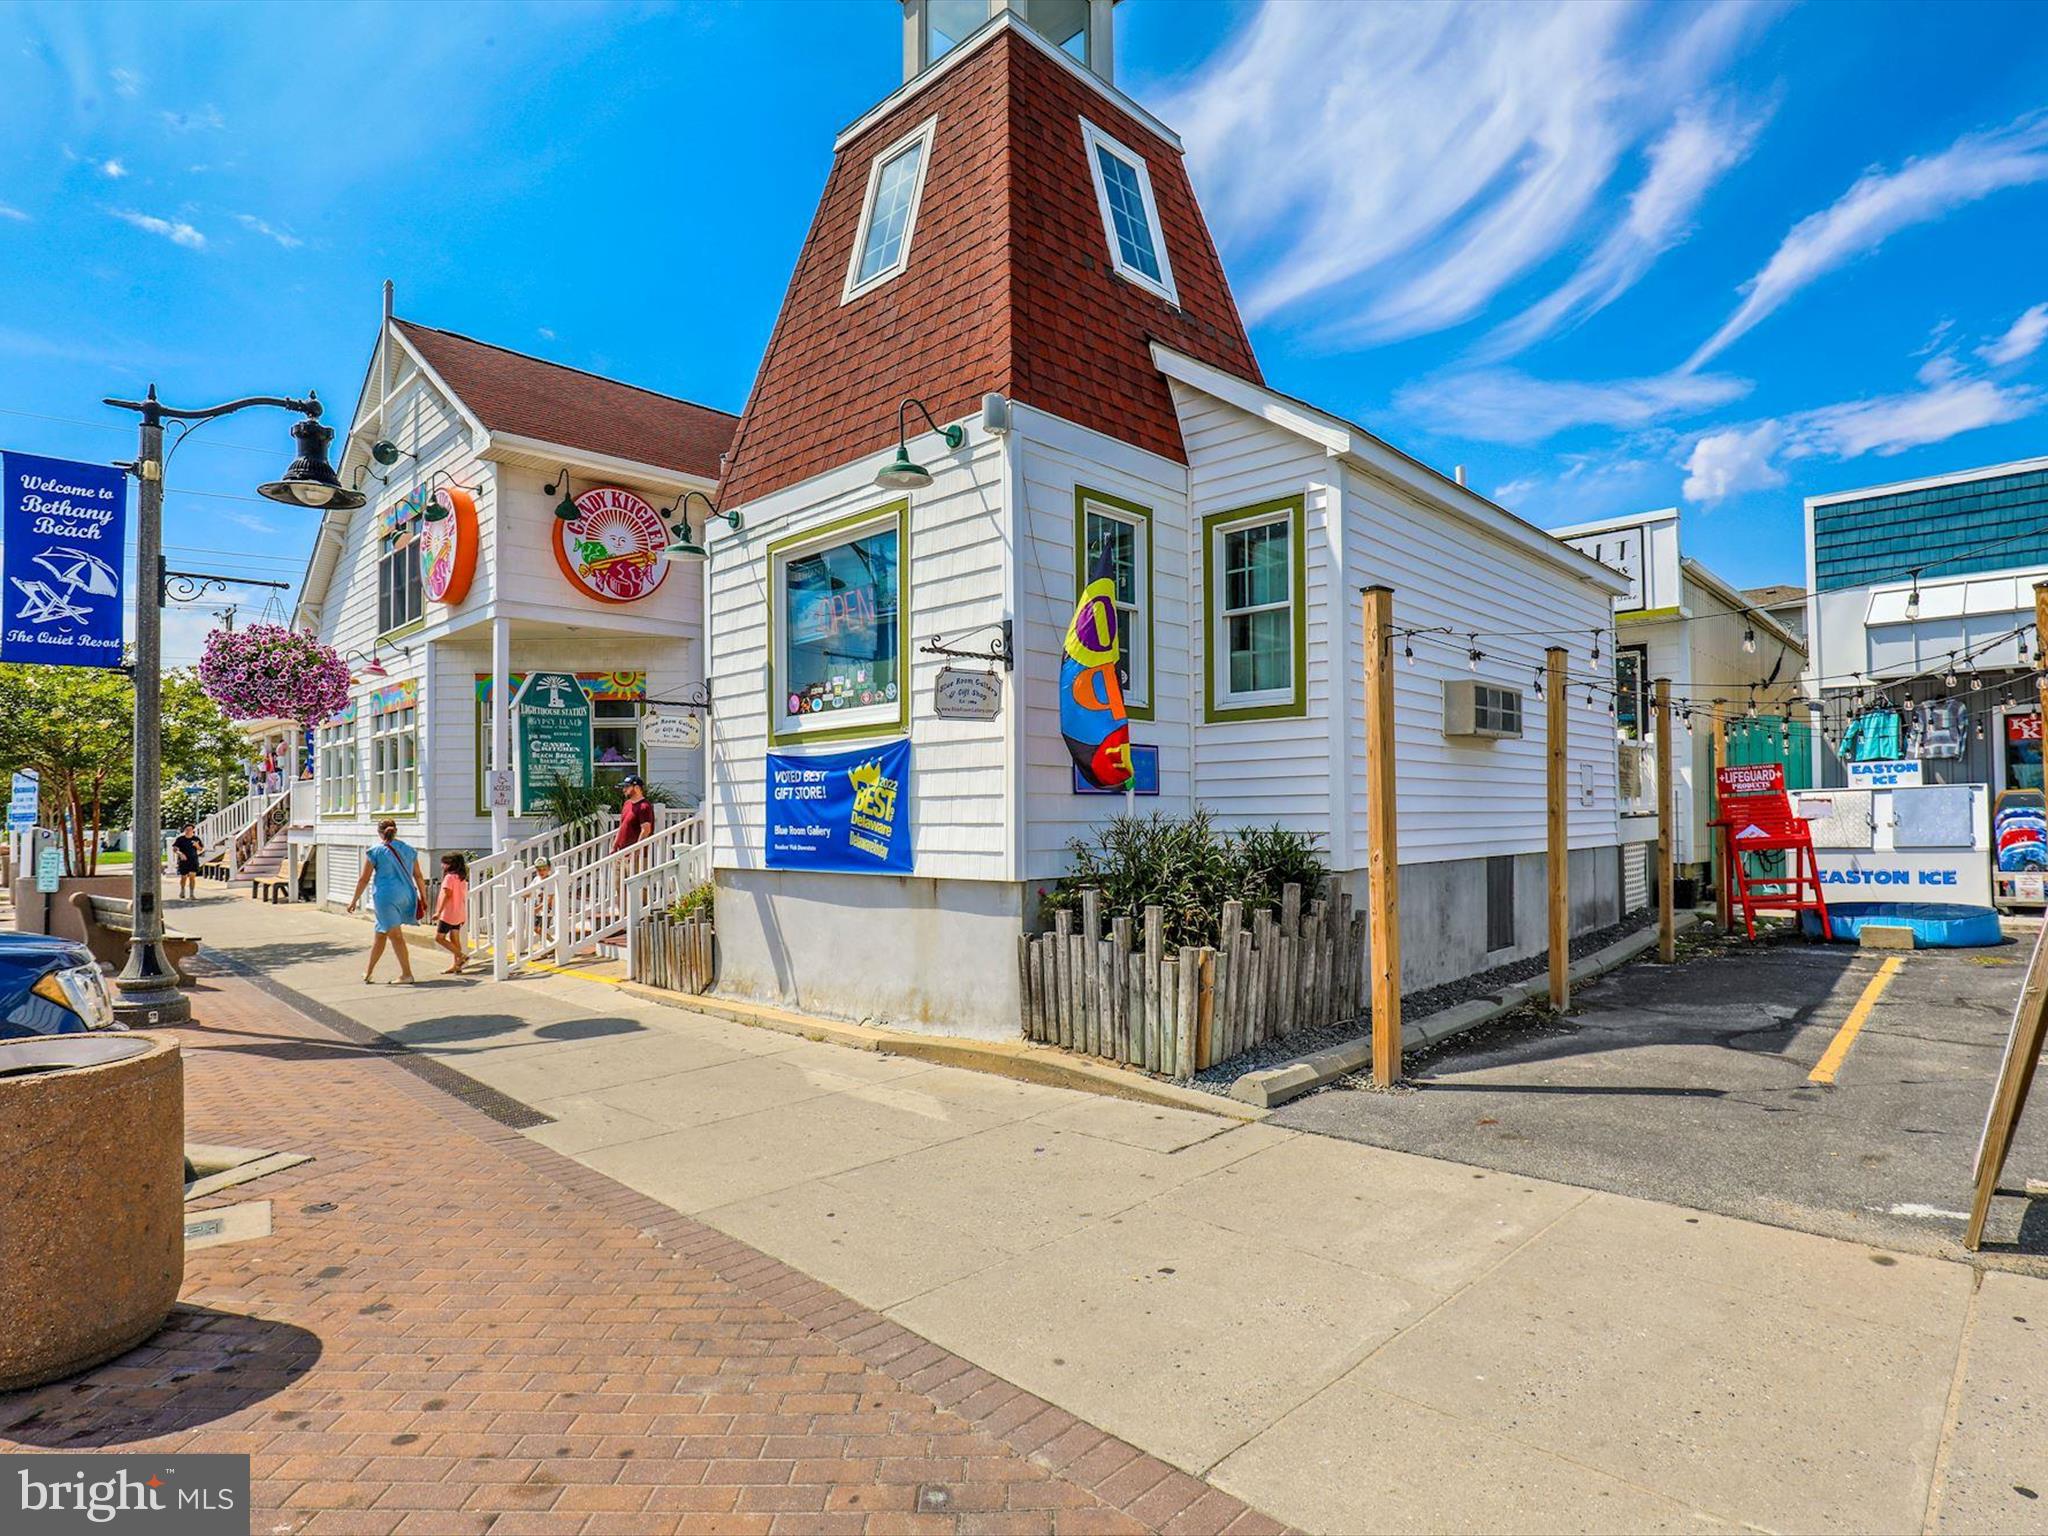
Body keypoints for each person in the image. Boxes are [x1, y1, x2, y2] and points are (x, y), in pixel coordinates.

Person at [346, 819, 425, 983]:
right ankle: (368, 972)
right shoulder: (409, 850)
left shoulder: (376, 851)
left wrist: (354, 900)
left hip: (386, 897)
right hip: (406, 894)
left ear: (379, 832)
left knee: (395, 936)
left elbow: (364, 879)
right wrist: (424, 897)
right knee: (381, 934)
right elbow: (418, 875)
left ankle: (407, 974)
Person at [433, 852, 469, 975]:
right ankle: (457, 965)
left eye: (444, 863)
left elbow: (447, 895)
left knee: (439, 938)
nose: (442, 865)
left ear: (449, 865)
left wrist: (438, 911)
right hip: (458, 912)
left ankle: (461, 956)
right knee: (455, 939)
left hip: (448, 913)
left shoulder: (449, 878)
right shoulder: (461, 878)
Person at [614, 774, 655, 853]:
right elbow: (621, 827)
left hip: (636, 856)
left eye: (627, 787)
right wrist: (614, 847)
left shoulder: (644, 806)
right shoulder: (627, 804)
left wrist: (635, 852)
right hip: (621, 852)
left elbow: (645, 831)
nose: (624, 790)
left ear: (637, 788)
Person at [171, 824, 203, 900]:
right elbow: (175, 849)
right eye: (187, 829)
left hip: (193, 860)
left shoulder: (196, 839)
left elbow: (200, 849)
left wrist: (197, 846)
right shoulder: (180, 839)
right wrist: (180, 854)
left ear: (193, 830)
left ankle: (192, 894)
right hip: (183, 861)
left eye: (190, 829)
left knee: (192, 877)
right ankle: (182, 890)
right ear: (184, 830)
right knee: (184, 877)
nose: (188, 831)